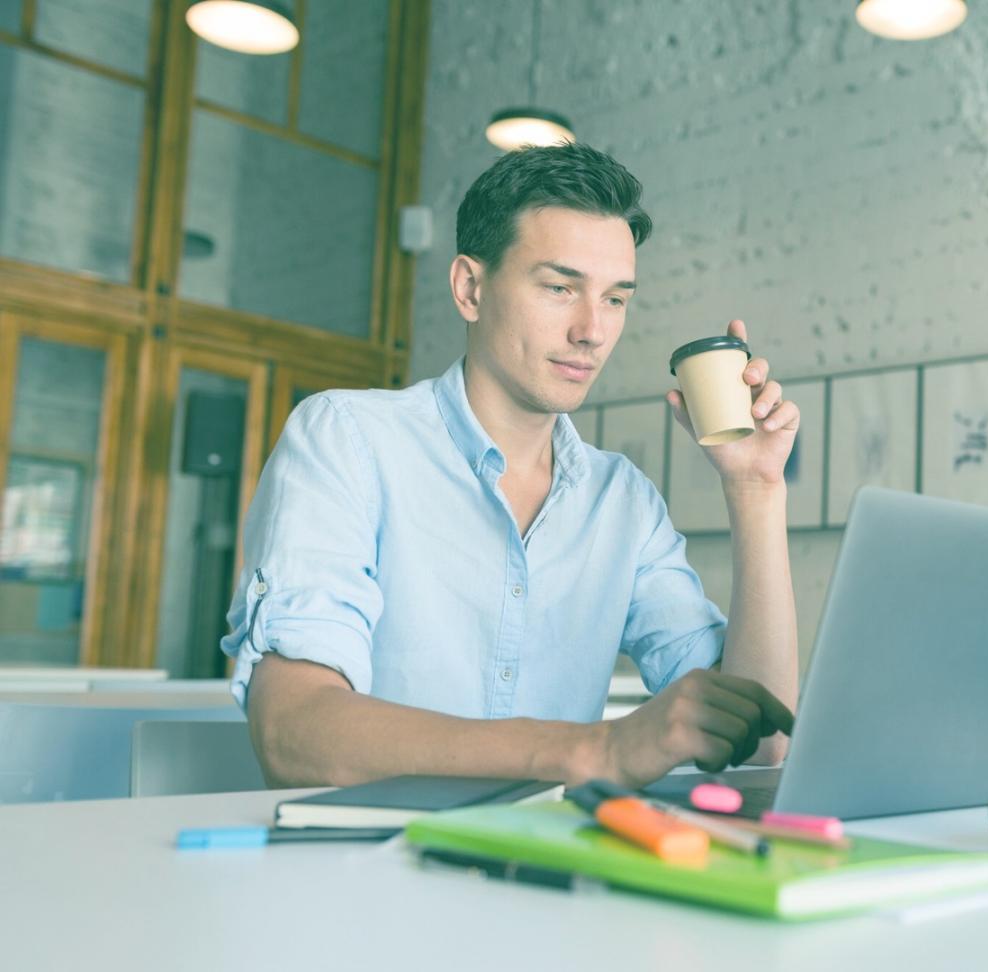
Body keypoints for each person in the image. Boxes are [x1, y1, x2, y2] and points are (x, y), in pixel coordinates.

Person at [221, 143, 799, 789]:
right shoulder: (347, 439)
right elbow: (293, 733)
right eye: (560, 288)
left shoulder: (623, 502)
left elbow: (760, 743)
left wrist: (755, 488)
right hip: (371, 872)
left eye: (615, 299)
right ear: (470, 288)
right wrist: (593, 751)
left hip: (552, 879)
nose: (593, 331)